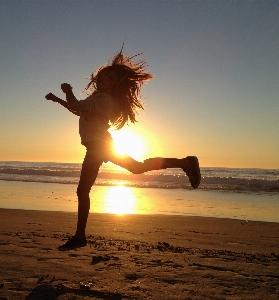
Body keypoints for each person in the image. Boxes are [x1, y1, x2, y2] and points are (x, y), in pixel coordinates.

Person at [45, 48, 201, 251]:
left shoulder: (104, 100)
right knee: (136, 168)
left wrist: (66, 92)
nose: (104, 80)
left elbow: (77, 106)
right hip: (100, 146)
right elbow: (79, 110)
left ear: (116, 85)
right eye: (103, 76)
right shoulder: (98, 99)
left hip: (98, 147)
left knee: (84, 190)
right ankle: (184, 162)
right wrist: (59, 100)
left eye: (110, 79)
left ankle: (80, 236)